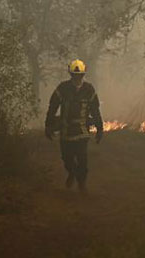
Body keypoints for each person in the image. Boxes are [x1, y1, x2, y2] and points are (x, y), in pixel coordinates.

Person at [45, 59, 104, 192]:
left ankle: (81, 184)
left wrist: (100, 128)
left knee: (82, 159)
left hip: (82, 132)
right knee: (67, 158)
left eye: (79, 75)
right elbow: (52, 107)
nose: (77, 78)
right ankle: (72, 172)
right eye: (75, 75)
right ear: (71, 74)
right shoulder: (63, 88)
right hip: (66, 131)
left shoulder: (89, 90)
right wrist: (48, 125)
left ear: (83, 75)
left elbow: (95, 110)